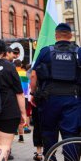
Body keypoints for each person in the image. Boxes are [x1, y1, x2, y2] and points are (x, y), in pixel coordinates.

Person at [30, 23, 81, 158]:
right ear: (70, 35)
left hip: (49, 99)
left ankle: (50, 157)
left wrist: (33, 94)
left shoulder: (46, 51)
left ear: (56, 35)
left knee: (48, 132)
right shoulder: (78, 52)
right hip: (73, 99)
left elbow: (34, 75)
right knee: (71, 133)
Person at [14, 59, 30, 143]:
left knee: (13, 116)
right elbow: (29, 84)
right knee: (23, 115)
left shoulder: (12, 73)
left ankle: (14, 131)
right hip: (25, 96)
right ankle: (21, 136)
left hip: (14, 96)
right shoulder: (25, 73)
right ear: (20, 65)